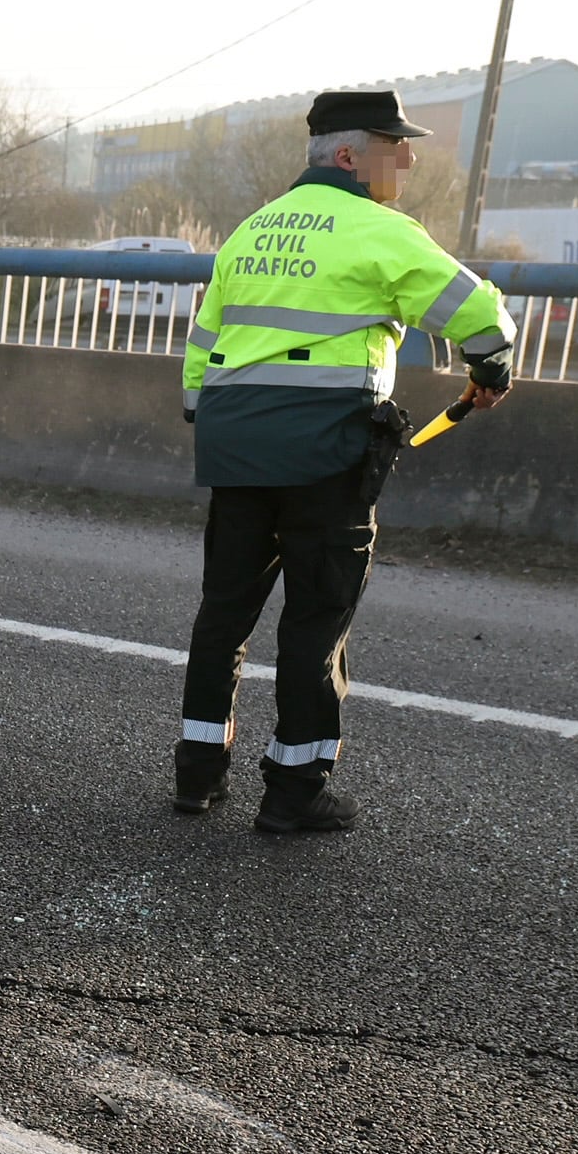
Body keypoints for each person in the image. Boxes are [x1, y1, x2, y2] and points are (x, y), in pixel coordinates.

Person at [175, 89, 517, 832]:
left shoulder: (251, 231)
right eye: (395, 144)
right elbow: (481, 317)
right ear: (347, 155)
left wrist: (211, 415)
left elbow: (201, 352)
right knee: (315, 623)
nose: (409, 156)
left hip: (235, 449)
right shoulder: (379, 230)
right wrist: (489, 374)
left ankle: (197, 775)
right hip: (324, 456)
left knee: (223, 615)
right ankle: (294, 795)